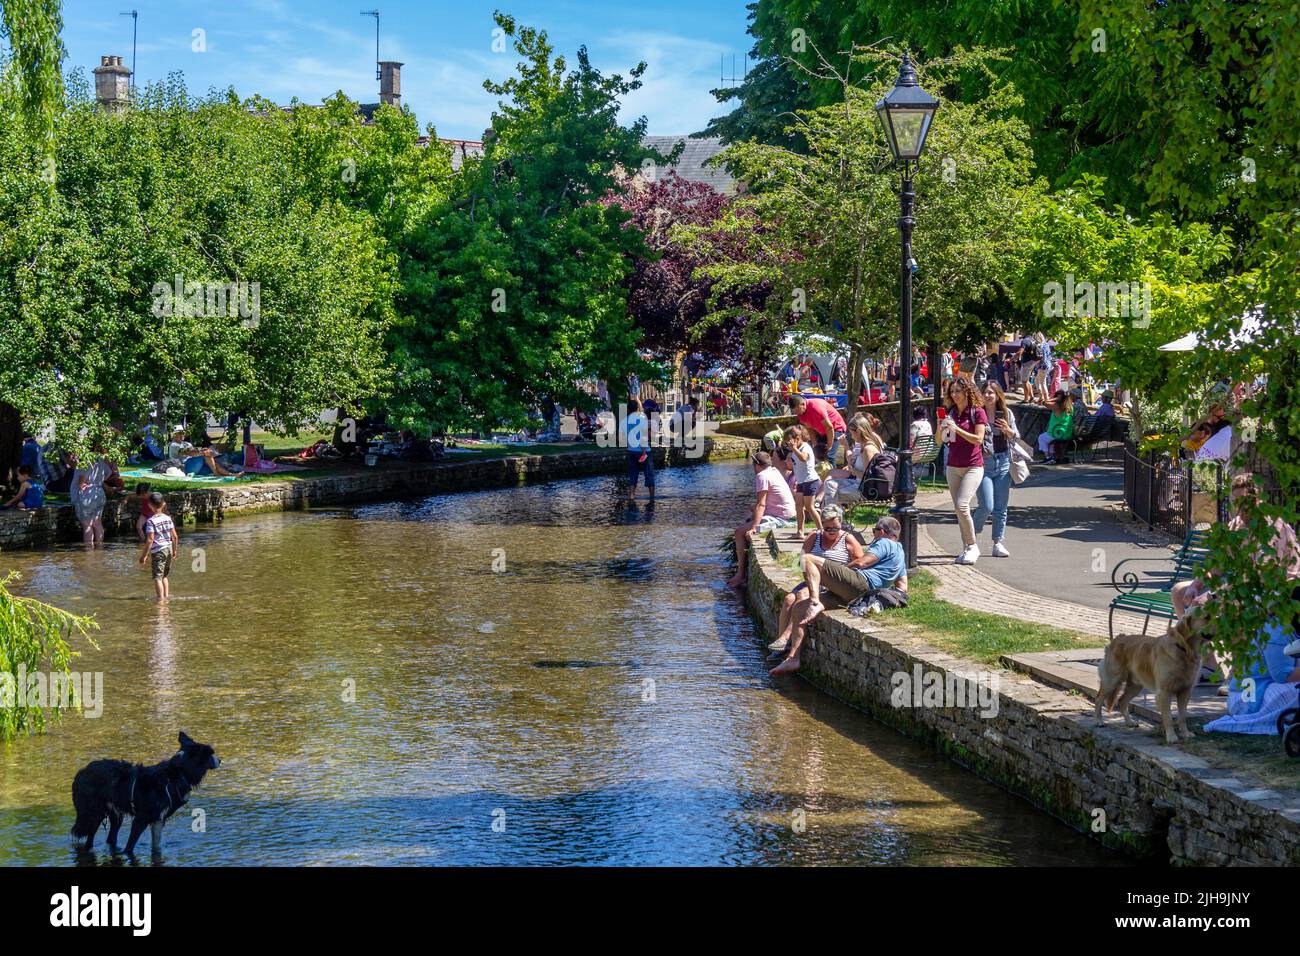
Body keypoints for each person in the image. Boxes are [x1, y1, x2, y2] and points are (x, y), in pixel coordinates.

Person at [771, 515, 908, 675]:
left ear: (882, 531)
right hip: (855, 597)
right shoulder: (900, 552)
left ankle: (815, 601)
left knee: (807, 559)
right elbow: (902, 587)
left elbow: (862, 562)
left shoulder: (884, 542)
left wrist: (840, 571)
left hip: (860, 584)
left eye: (874, 531)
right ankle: (793, 659)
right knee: (800, 607)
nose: (874, 534)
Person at [765, 503, 867, 659]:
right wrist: (809, 571)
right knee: (788, 599)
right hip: (812, 580)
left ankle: (786, 639)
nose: (832, 532)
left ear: (840, 523)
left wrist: (835, 572)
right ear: (822, 526)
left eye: (835, 528)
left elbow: (860, 564)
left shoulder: (848, 539)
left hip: (831, 583)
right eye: (828, 528)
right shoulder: (814, 537)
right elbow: (800, 561)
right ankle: (781, 648)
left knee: (800, 596)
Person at [726, 451, 798, 588]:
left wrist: (754, 527)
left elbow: (761, 504)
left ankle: (740, 574)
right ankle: (742, 567)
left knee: (739, 532)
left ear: (757, 465)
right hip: (788, 514)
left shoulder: (762, 476)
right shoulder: (774, 471)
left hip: (781, 518)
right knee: (749, 516)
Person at [942, 377, 988, 565]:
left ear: (967, 392)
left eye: (958, 391)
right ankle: (966, 548)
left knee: (962, 505)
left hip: (973, 466)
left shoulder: (978, 413)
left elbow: (978, 439)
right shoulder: (952, 413)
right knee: (959, 509)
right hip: (953, 466)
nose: (954, 395)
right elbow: (942, 441)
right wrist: (942, 427)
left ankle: (972, 545)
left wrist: (957, 429)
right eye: (952, 392)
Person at [971, 382, 1018, 558]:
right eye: (985, 392)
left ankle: (998, 542)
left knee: (1001, 507)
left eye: (991, 392)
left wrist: (1007, 430)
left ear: (998, 395)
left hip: (1004, 462)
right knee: (986, 505)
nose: (988, 395)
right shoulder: (977, 414)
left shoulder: (1006, 413)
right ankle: (971, 540)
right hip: (984, 463)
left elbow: (1017, 436)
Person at [818, 413, 884, 507]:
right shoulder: (868, 443)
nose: (852, 437)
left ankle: (831, 517)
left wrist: (854, 471)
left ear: (858, 431)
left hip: (865, 490)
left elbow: (869, 478)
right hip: (858, 485)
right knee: (829, 484)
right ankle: (833, 516)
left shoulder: (867, 449)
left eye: (852, 433)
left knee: (830, 490)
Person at [138, 492, 179, 601]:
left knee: (157, 577)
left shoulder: (151, 521)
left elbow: (150, 539)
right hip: (169, 549)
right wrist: (174, 550)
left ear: (150, 505)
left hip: (159, 551)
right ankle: (166, 596)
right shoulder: (167, 518)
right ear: (163, 504)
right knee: (164, 576)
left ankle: (160, 601)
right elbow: (174, 536)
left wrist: (144, 556)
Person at [783, 425, 822, 534]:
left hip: (810, 480)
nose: (788, 445)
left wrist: (794, 449)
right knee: (798, 506)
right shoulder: (796, 449)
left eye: (789, 442)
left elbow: (804, 458)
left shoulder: (805, 447)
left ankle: (821, 530)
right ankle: (800, 531)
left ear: (797, 439)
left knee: (809, 507)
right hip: (801, 481)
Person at [788, 394, 847, 466]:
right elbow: (810, 429)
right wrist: (815, 445)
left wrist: (829, 445)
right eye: (794, 411)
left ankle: (833, 475)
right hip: (823, 431)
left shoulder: (816, 408)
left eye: (797, 410)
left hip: (836, 428)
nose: (796, 413)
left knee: (829, 456)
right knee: (818, 454)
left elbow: (829, 427)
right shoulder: (801, 413)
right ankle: (822, 474)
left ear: (803, 404)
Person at [168, 428, 244, 477]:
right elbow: (189, 453)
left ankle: (232, 475)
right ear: (174, 435)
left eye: (182, 434)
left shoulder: (187, 444)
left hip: (195, 465)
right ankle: (216, 474)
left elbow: (194, 451)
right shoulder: (174, 445)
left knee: (213, 464)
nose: (181, 436)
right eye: (179, 434)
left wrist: (202, 450)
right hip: (184, 467)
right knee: (207, 455)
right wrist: (203, 453)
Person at [624, 398, 654, 502]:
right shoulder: (641, 418)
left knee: (633, 474)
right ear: (637, 408)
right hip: (644, 450)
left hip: (631, 450)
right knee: (649, 474)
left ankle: (631, 495)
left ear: (628, 409)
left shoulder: (625, 420)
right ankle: (652, 498)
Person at [1038, 393, 1075, 464]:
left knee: (1041, 438)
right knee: (1050, 441)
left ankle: (1047, 457)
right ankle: (1052, 457)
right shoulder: (1070, 406)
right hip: (1067, 433)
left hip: (1057, 433)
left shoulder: (1057, 406)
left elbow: (1044, 402)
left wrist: (1055, 398)